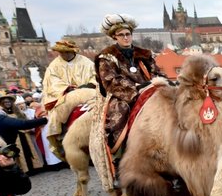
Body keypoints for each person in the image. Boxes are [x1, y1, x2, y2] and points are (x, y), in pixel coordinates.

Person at [95, 14, 165, 171]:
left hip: (150, 90)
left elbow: (156, 72)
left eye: (128, 34)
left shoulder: (144, 54)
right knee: (119, 114)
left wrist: (161, 82)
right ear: (115, 37)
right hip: (123, 95)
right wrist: (136, 88)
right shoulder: (106, 57)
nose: (126, 38)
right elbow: (111, 81)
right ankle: (119, 159)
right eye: (122, 35)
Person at [42, 39, 97, 158]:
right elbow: (52, 83)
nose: (63, 54)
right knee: (57, 115)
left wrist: (89, 84)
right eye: (61, 52)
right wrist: (67, 88)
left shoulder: (86, 62)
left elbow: (96, 75)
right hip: (66, 95)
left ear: (72, 51)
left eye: (66, 52)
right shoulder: (54, 66)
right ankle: (59, 137)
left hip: (88, 92)